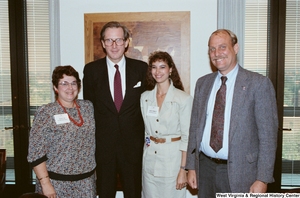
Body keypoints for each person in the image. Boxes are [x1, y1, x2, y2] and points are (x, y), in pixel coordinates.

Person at [186, 29, 278, 196]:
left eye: (222, 47)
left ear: (235, 48)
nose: (216, 53)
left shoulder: (258, 84)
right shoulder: (203, 84)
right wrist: (191, 166)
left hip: (241, 172)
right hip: (205, 169)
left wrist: (262, 179)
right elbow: (194, 129)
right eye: (212, 49)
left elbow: (268, 138)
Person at [83, 21, 148, 198]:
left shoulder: (141, 69)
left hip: (133, 147)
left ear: (127, 42)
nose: (114, 45)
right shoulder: (91, 71)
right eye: (109, 40)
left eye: (118, 40)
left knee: (134, 193)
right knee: (104, 193)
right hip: (104, 148)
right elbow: (89, 109)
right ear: (103, 43)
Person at [27, 65, 96, 198]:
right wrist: (45, 184)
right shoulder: (46, 112)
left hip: (86, 183)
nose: (70, 88)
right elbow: (35, 153)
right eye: (64, 83)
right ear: (55, 87)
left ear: (78, 86)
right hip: (56, 183)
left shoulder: (88, 107)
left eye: (73, 83)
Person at [140, 51, 193, 198]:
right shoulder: (144, 98)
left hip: (173, 165)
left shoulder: (183, 99)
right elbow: (145, 132)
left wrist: (183, 170)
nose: (158, 72)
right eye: (154, 67)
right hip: (149, 164)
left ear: (170, 70)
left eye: (162, 67)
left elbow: (187, 137)